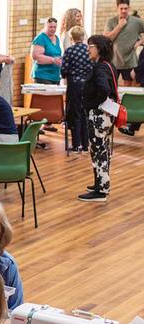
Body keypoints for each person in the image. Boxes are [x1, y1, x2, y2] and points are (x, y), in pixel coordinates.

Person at [79, 35, 118, 202]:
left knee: (99, 150)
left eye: (91, 46)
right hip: (107, 114)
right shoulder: (109, 65)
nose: (88, 49)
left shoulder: (100, 68)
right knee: (101, 149)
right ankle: (100, 183)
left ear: (99, 48)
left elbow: (103, 90)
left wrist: (91, 105)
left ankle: (101, 190)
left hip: (99, 115)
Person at [61, 25, 92, 152]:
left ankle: (76, 144)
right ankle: (85, 144)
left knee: (75, 113)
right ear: (84, 36)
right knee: (85, 113)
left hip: (74, 85)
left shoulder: (69, 51)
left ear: (71, 38)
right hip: (87, 85)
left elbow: (64, 70)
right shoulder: (89, 50)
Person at [104, 0, 144, 86]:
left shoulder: (136, 21)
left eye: (125, 8)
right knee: (111, 87)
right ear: (117, 8)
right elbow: (107, 39)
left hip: (130, 61)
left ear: (129, 8)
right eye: (121, 8)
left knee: (128, 88)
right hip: (114, 60)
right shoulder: (111, 21)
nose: (123, 11)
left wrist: (140, 42)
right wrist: (119, 26)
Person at [31, 17, 63, 85]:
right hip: (43, 75)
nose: (53, 29)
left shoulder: (56, 38)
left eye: (54, 27)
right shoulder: (40, 38)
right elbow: (36, 57)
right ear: (45, 26)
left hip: (55, 75)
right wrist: (53, 60)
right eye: (50, 27)